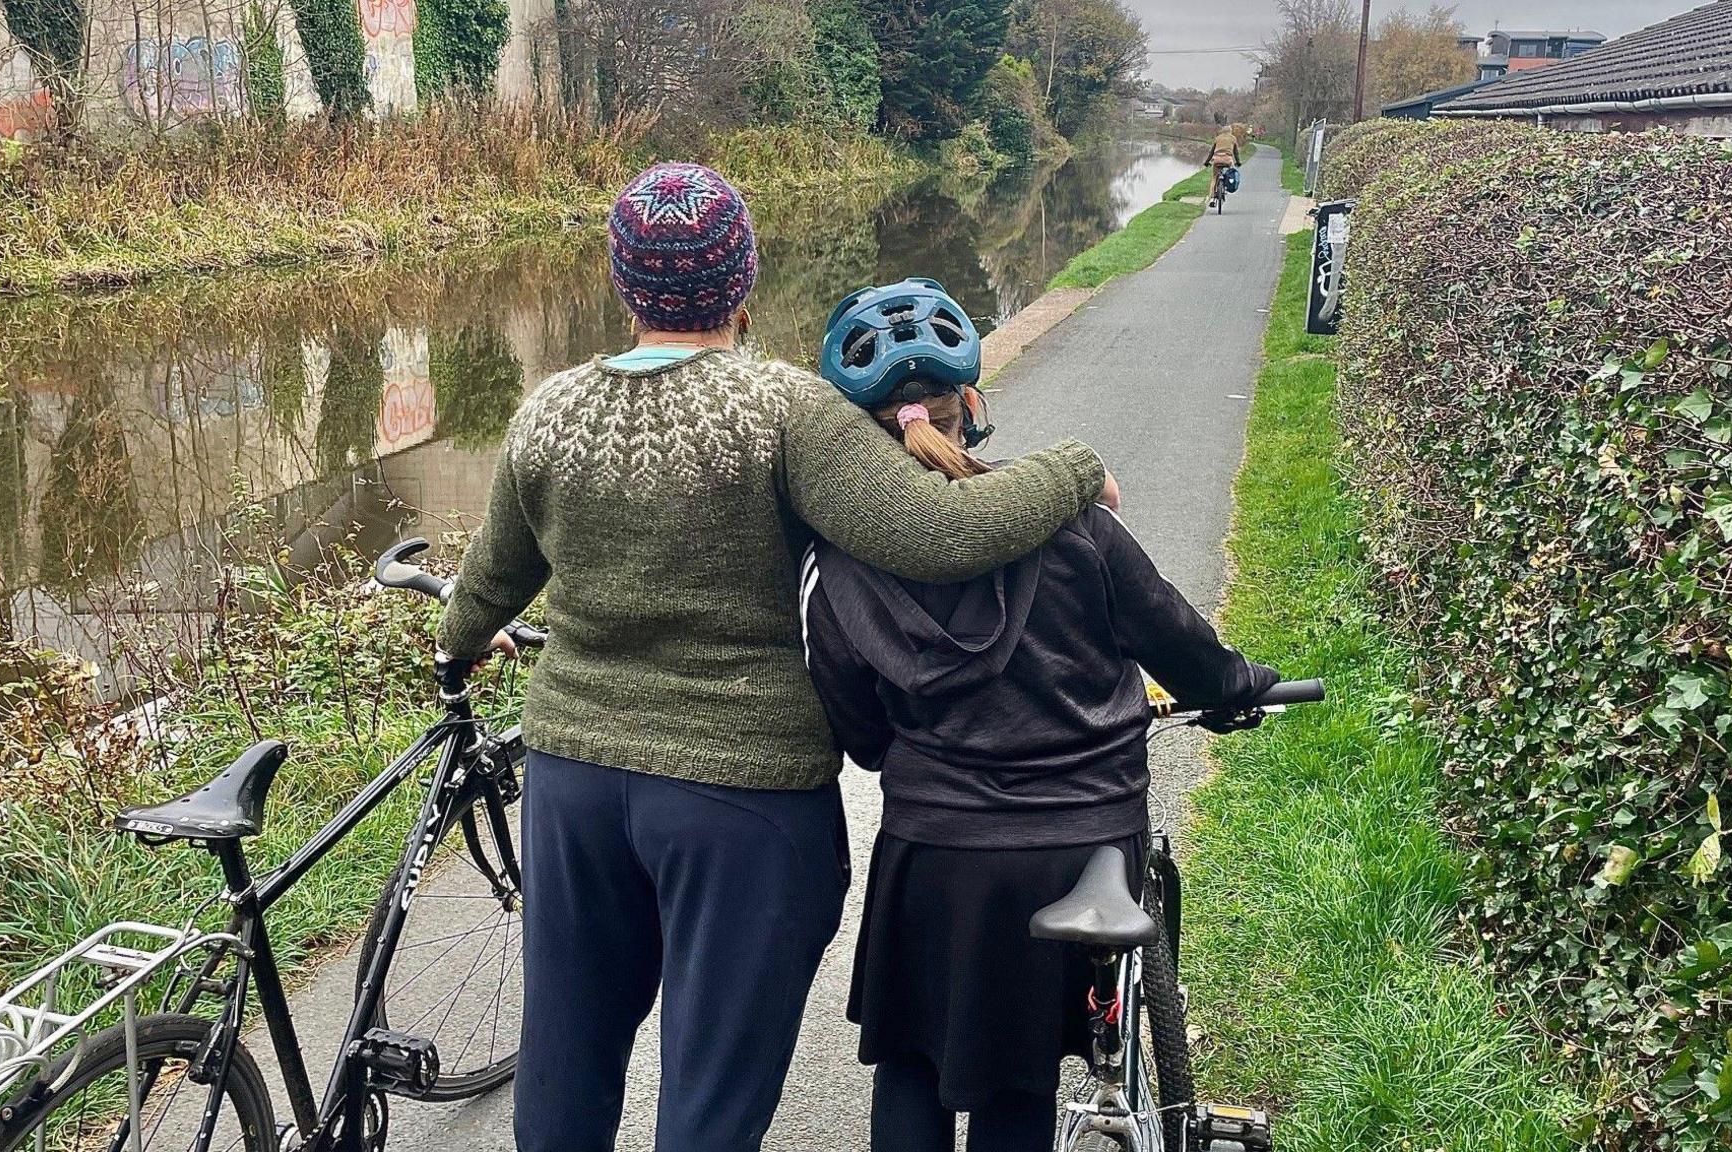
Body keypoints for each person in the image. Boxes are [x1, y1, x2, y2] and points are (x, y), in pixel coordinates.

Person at [433, 164, 1117, 1152]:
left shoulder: (547, 412)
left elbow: (491, 583)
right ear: (741, 282)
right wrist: (1072, 469)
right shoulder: (781, 409)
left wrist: (456, 643)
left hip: (575, 785)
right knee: (710, 1091)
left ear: (624, 286)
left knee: (565, 1057)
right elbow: (936, 534)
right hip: (737, 799)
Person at [800, 279, 1278, 1152]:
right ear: (970, 408)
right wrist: (1239, 684)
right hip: (1080, 840)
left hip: (933, 855)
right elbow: (1181, 646)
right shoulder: (1076, 526)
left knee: (911, 1067)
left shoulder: (840, 567)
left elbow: (861, 739)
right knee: (1017, 1083)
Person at [1206, 124, 1242, 202]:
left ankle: (1212, 198)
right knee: (1231, 174)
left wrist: (1207, 162)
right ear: (1230, 131)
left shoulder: (1217, 138)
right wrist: (1238, 162)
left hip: (1217, 159)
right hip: (1228, 160)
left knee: (1214, 177)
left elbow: (1211, 152)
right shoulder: (1233, 138)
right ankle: (1227, 185)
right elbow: (1236, 153)